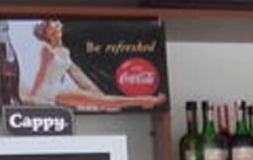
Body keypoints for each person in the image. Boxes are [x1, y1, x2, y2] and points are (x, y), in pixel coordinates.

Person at [25, 20, 155, 109]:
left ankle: (144, 101)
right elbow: (41, 73)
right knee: (101, 101)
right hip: (50, 90)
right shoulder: (47, 50)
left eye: (55, 24)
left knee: (101, 101)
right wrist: (33, 96)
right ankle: (145, 100)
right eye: (51, 27)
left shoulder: (64, 51)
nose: (56, 25)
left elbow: (65, 73)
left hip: (57, 89)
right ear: (47, 34)